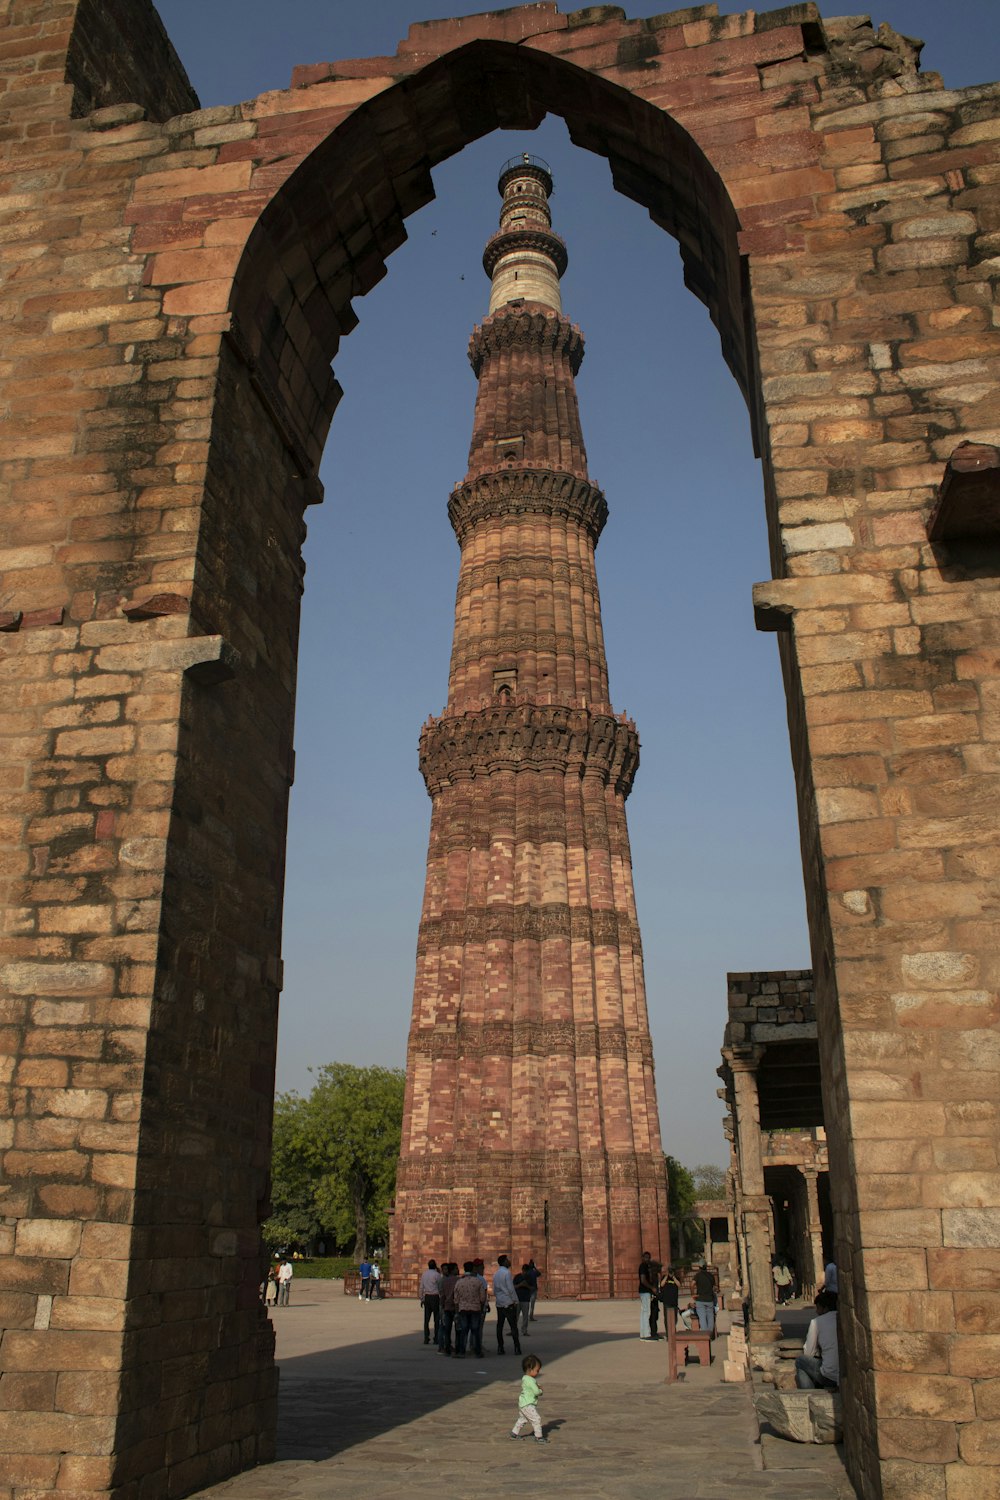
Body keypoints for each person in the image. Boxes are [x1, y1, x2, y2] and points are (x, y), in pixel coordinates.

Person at [796, 1291, 839, 1390]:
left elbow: (808, 1352)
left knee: (800, 1361)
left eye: (818, 1308)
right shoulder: (844, 1317)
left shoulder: (817, 1322)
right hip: (844, 1375)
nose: (816, 1312)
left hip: (829, 1376)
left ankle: (808, 1392)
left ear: (825, 1308)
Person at [510, 1354, 547, 1442]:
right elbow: (536, 1392)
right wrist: (541, 1390)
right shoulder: (531, 1380)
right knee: (536, 1419)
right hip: (528, 1404)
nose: (538, 1372)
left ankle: (514, 1433)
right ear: (530, 1369)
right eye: (537, 1370)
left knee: (523, 1419)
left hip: (523, 1403)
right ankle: (539, 1437)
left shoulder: (525, 1378)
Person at [453, 1261, 486, 1358]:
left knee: (464, 1331)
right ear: (473, 1269)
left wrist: (456, 1312)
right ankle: (477, 1351)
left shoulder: (459, 1282)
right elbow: (482, 1298)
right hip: (475, 1309)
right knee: (475, 1331)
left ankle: (462, 1352)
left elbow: (456, 1299)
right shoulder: (478, 1281)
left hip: (463, 1309)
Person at [493, 1255, 521, 1355]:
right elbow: (510, 1288)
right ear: (504, 1262)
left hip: (499, 1303)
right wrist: (515, 1300)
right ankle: (517, 1347)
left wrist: (499, 1298)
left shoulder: (495, 1274)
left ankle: (500, 1347)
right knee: (513, 1326)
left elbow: (495, 1289)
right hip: (508, 1302)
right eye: (507, 1260)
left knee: (499, 1326)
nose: (509, 1261)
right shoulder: (507, 1273)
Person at [419, 1259, 441, 1344]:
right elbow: (440, 1286)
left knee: (426, 1319)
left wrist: (421, 1298)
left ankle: (426, 1338)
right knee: (436, 1319)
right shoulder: (437, 1275)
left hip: (427, 1297)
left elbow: (421, 1287)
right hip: (435, 1297)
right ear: (435, 1266)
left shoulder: (424, 1274)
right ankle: (436, 1338)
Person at [438, 1262, 458, 1355]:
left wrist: (442, 1306)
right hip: (456, 1307)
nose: (458, 1270)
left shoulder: (443, 1281)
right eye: (456, 1268)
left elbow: (442, 1295)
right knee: (458, 1329)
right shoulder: (458, 1280)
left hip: (446, 1307)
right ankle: (458, 1348)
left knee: (447, 1329)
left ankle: (446, 1348)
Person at [691, 1261, 717, 1334]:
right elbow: (715, 1287)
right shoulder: (711, 1276)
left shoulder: (698, 1275)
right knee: (710, 1317)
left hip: (700, 1299)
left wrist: (693, 1294)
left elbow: (692, 1284)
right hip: (709, 1299)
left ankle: (705, 1335)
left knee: (702, 1318)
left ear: (699, 1267)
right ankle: (710, 1334)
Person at [638, 1250, 656, 1339]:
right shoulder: (643, 1267)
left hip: (643, 1291)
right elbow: (643, 1280)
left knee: (643, 1312)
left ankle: (643, 1333)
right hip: (645, 1291)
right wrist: (651, 1287)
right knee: (646, 1312)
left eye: (648, 1258)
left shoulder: (645, 1266)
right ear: (642, 1258)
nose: (647, 1259)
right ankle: (647, 1334)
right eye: (646, 1257)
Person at [514, 1263, 532, 1336]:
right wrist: (520, 1285)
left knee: (525, 1316)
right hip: (517, 1298)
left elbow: (533, 1288)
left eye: (526, 1271)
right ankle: (514, 1329)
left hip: (526, 1299)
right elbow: (513, 1287)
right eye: (524, 1271)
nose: (525, 1273)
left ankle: (524, 1330)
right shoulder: (517, 1277)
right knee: (515, 1316)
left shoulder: (529, 1278)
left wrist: (526, 1285)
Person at [647, 1257, 663, 1339]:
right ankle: (653, 1332)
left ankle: (654, 1331)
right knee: (653, 1316)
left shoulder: (655, 1276)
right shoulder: (652, 1276)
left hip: (654, 1297)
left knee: (655, 1315)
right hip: (652, 1297)